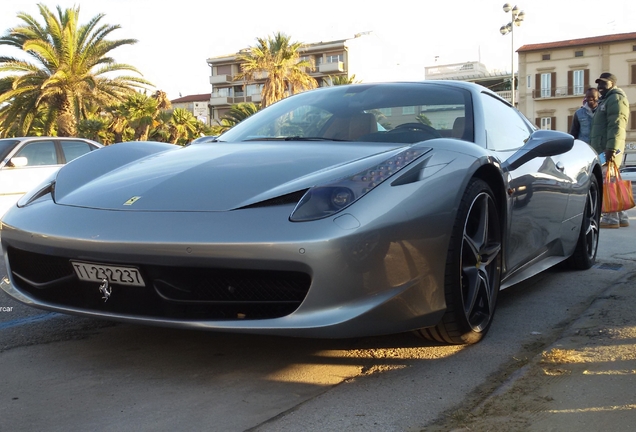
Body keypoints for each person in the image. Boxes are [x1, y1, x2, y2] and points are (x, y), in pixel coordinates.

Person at [590, 72, 631, 228]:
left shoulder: (616, 99)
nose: (600, 87)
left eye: (604, 83)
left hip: (607, 149)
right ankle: (621, 216)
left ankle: (611, 218)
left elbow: (617, 125)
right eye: (599, 84)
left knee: (607, 182)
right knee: (612, 181)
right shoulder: (607, 100)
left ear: (612, 84)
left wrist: (611, 149)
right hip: (605, 147)